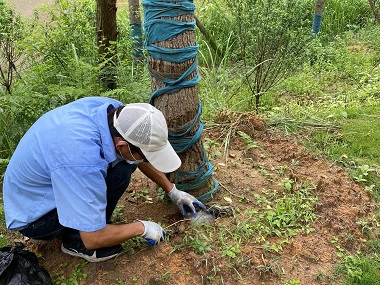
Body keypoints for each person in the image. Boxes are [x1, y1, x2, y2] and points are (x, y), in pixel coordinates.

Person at [2, 96, 205, 262]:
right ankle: (74, 241)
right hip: (34, 217)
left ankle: (86, 220)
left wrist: (172, 190)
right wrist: (142, 228)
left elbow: (137, 155)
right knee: (121, 170)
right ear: (122, 146)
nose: (145, 160)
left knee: (124, 166)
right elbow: (93, 238)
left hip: (46, 181)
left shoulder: (118, 114)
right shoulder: (82, 159)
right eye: (145, 155)